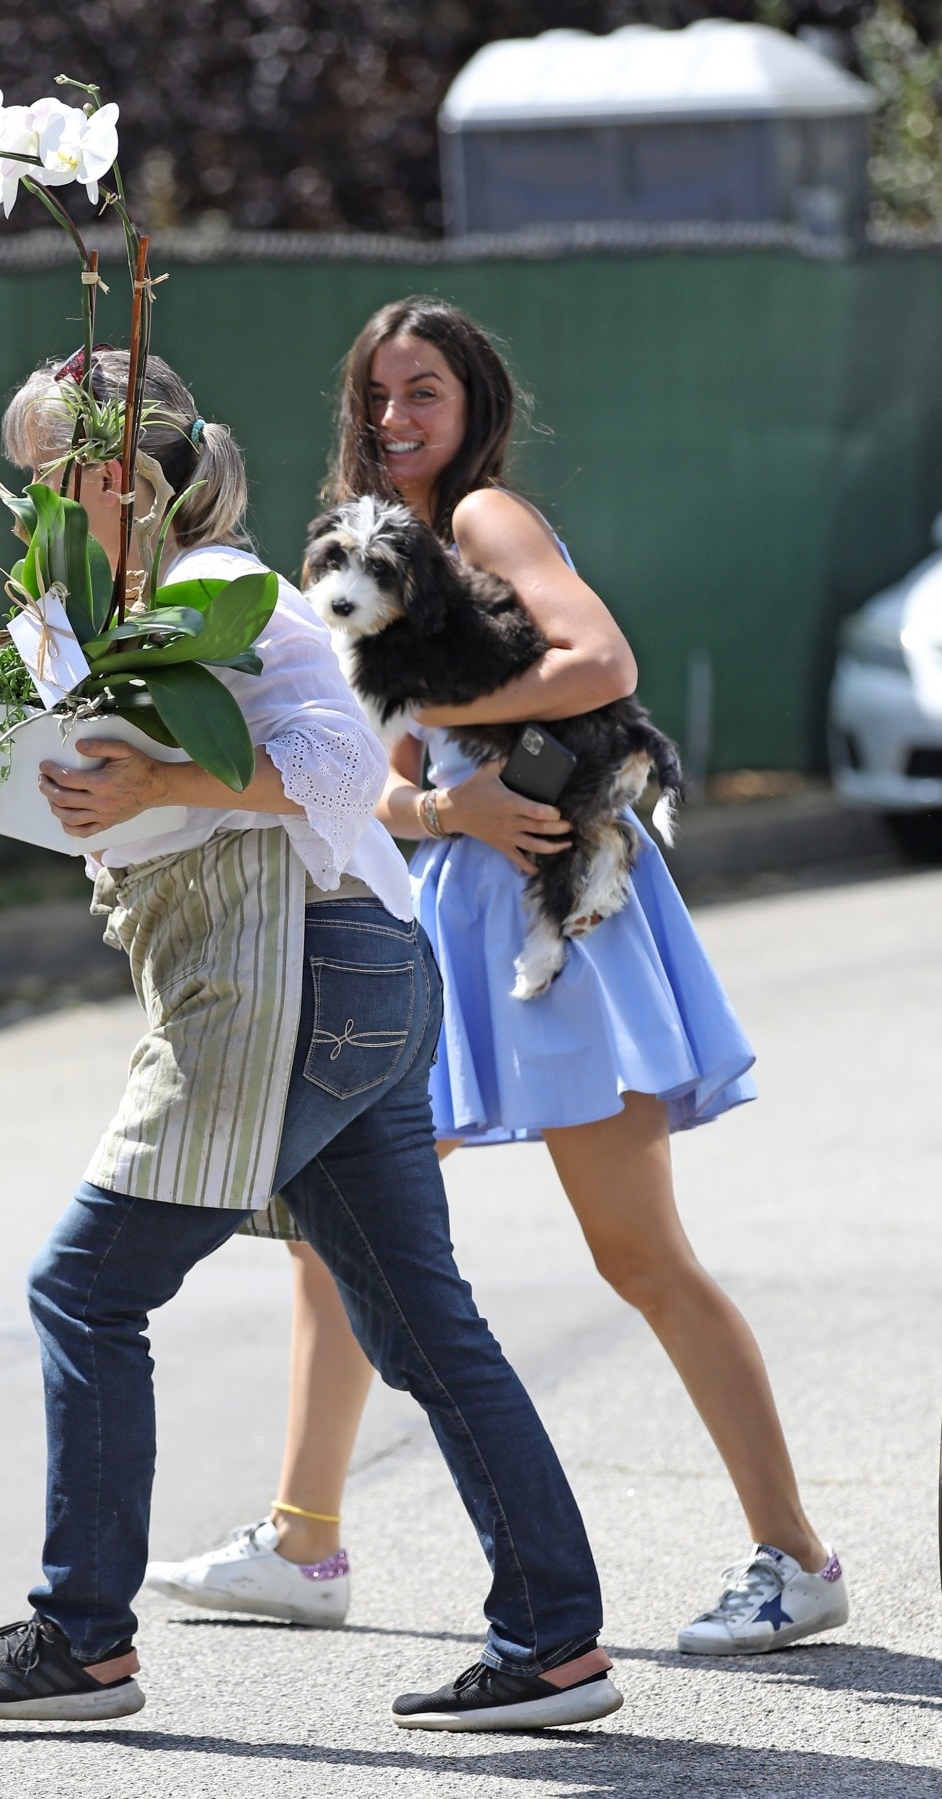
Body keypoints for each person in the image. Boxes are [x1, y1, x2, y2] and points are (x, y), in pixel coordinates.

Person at [0, 347, 625, 1732]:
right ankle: (554, 1640)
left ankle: (81, 1638)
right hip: (348, 972)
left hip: (302, 976)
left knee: (84, 1292)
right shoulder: (126, 602)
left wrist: (158, 775)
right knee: (424, 1327)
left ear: (121, 479)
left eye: (55, 474)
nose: (36, 502)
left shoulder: (214, 590)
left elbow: (353, 764)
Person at [144, 299, 849, 1658]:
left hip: (558, 916)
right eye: (379, 398)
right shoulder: (373, 553)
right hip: (451, 911)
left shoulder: (484, 524)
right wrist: (436, 799)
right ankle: (302, 1541)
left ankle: (799, 1558)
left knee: (639, 1254)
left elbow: (601, 663)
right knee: (339, 1236)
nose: (399, 421)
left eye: (427, 394)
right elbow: (392, 792)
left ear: (473, 408)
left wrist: (419, 712)